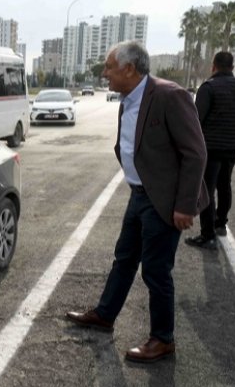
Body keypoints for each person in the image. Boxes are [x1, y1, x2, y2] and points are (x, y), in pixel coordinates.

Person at [66, 41, 209, 363]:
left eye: (109, 67)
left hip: (164, 200)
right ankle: (105, 314)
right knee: (125, 258)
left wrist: (185, 205)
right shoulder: (127, 99)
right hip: (138, 193)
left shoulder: (170, 95)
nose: (105, 74)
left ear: (129, 69)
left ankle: (163, 339)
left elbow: (195, 152)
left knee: (156, 271)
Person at [185, 51, 235, 250]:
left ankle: (207, 235)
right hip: (233, 147)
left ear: (213, 66)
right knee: (225, 185)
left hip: (211, 148)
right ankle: (221, 223)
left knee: (207, 189)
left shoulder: (209, 87)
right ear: (232, 67)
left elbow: (196, 120)